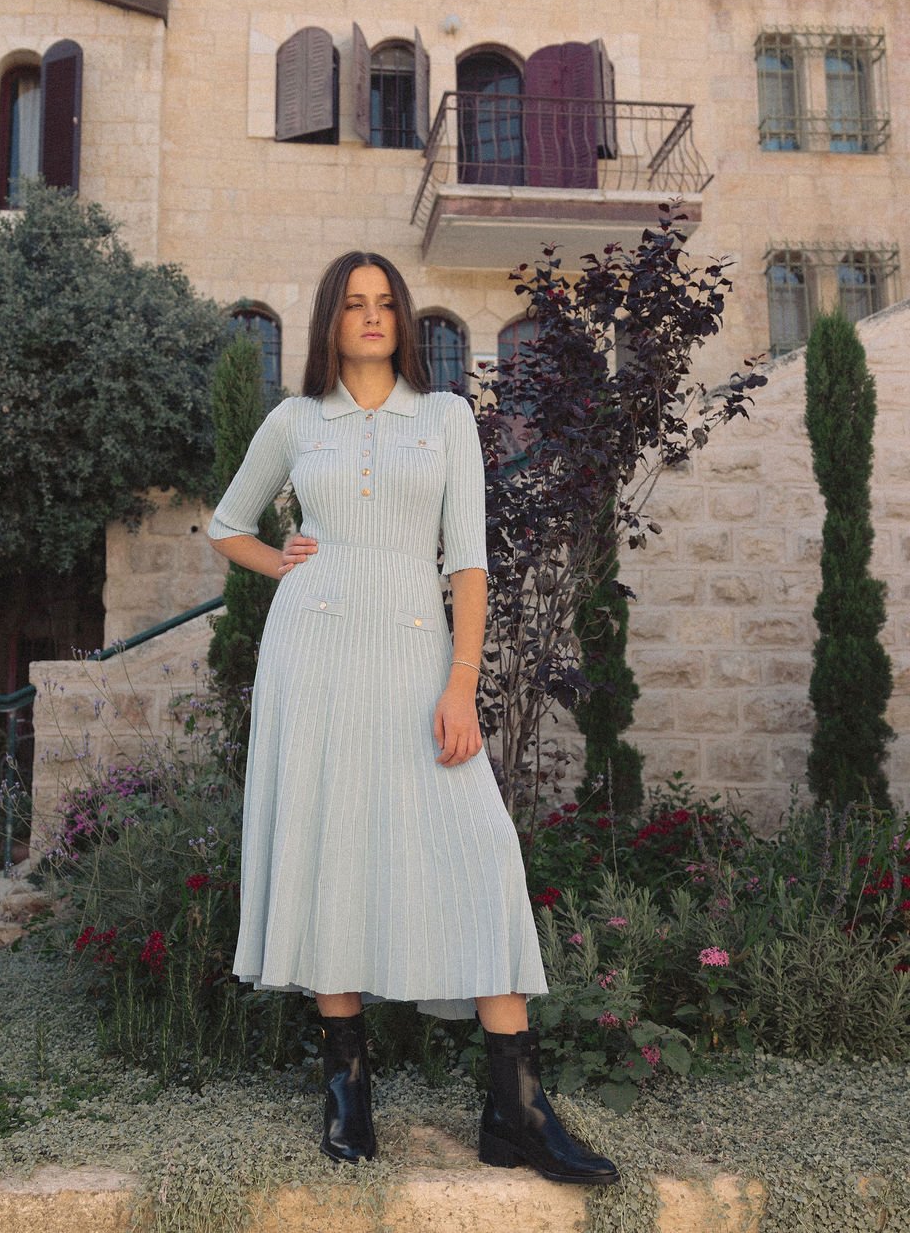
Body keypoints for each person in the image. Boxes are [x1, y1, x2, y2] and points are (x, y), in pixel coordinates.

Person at [207, 250, 618, 1187]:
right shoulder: (295, 419)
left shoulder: (446, 419)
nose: (371, 315)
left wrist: (461, 682)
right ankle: (347, 1089)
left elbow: (466, 562)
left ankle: (515, 1105)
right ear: (329, 321)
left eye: (384, 301)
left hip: (417, 660)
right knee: (329, 845)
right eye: (353, 303)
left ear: (403, 318)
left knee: (477, 847)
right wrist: (284, 564)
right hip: (311, 657)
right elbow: (225, 522)